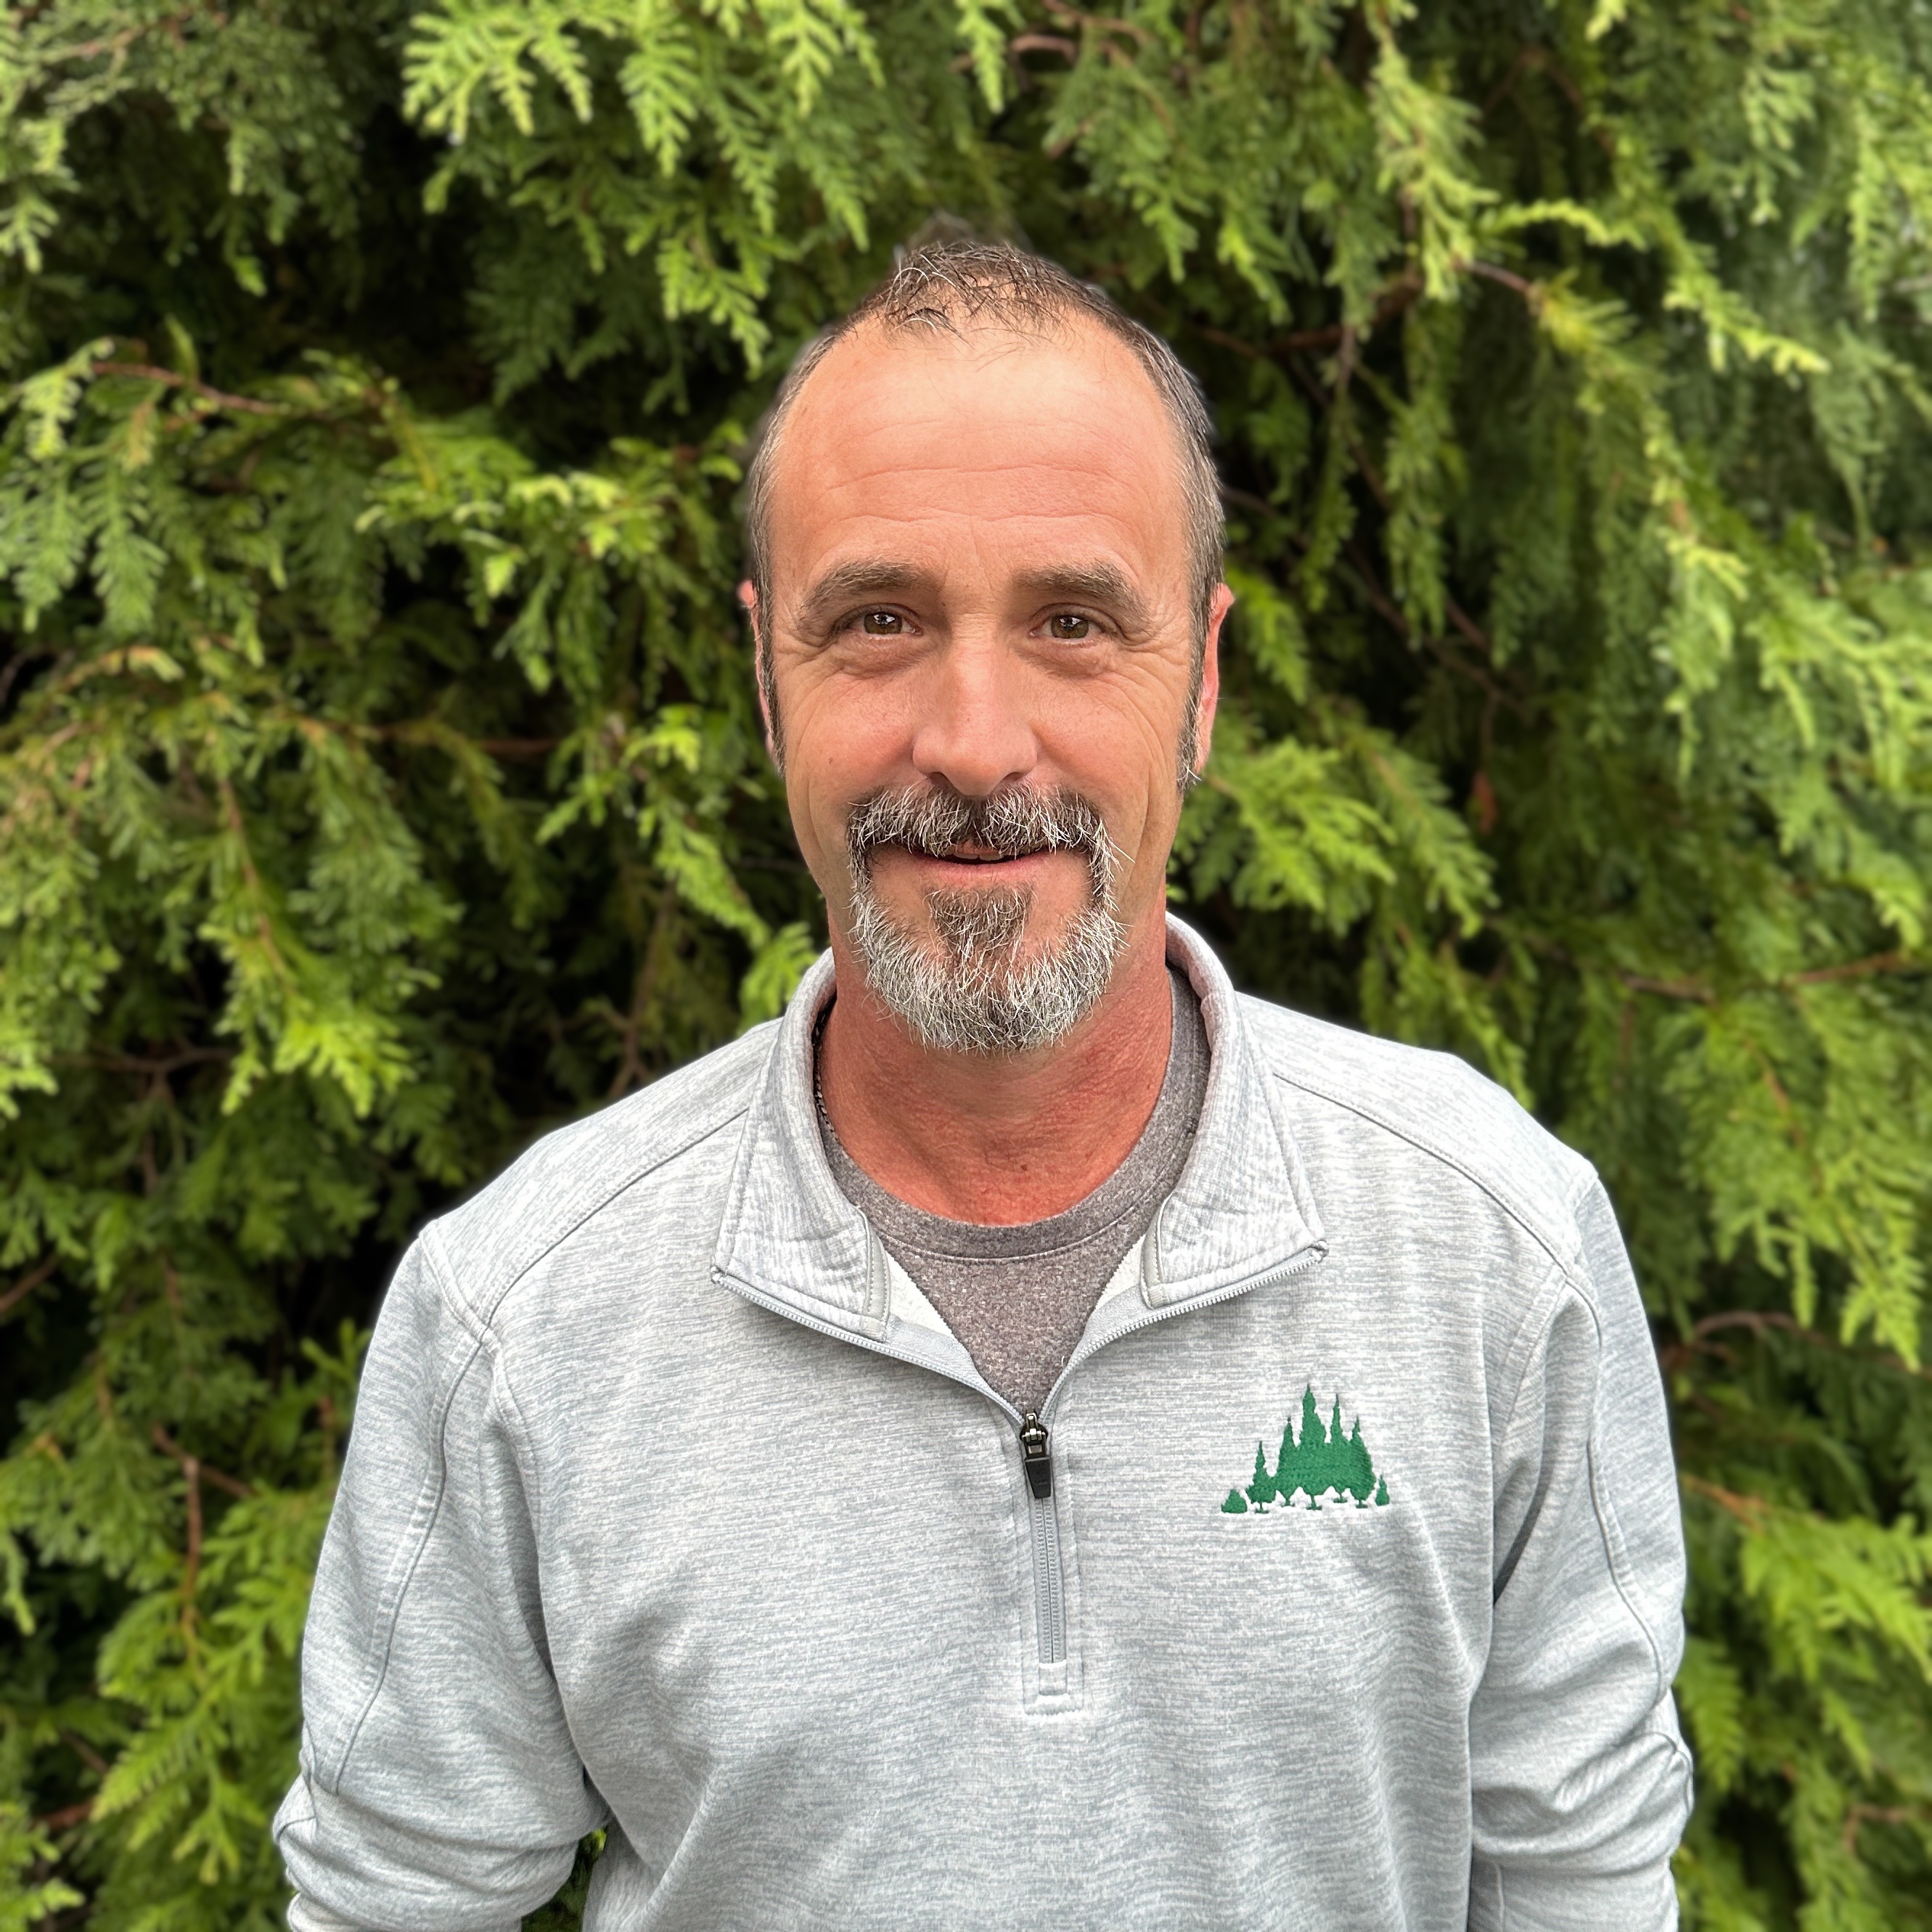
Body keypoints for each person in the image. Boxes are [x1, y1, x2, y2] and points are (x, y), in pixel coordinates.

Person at [276, 243, 1692, 1931]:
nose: (971, 736)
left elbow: (1580, 1890)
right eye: (877, 622)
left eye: (1072, 623)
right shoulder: (522, 1316)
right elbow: (391, 1905)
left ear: (1204, 681)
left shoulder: (1488, 1246)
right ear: (762, 673)